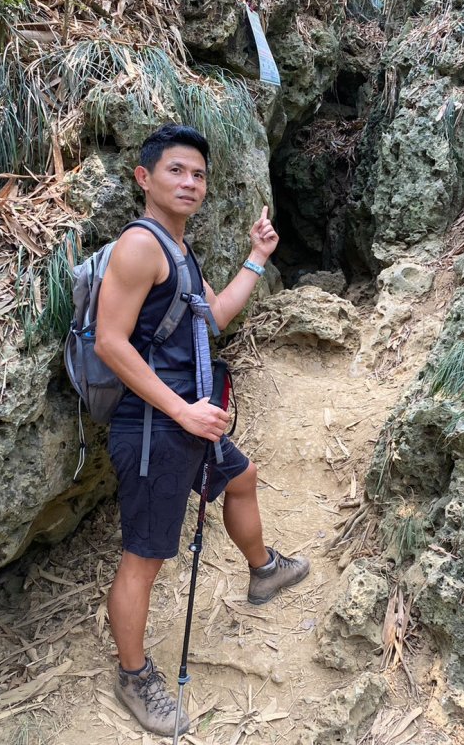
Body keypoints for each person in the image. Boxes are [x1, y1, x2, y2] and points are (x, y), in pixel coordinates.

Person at [94, 123, 311, 736]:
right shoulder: (140, 246)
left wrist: (257, 257)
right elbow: (110, 342)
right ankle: (134, 676)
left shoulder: (179, 249)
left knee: (242, 479)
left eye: (198, 175)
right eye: (176, 171)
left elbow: (212, 316)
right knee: (144, 559)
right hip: (153, 428)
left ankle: (263, 569)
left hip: (190, 421)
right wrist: (182, 411)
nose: (190, 182)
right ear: (144, 178)